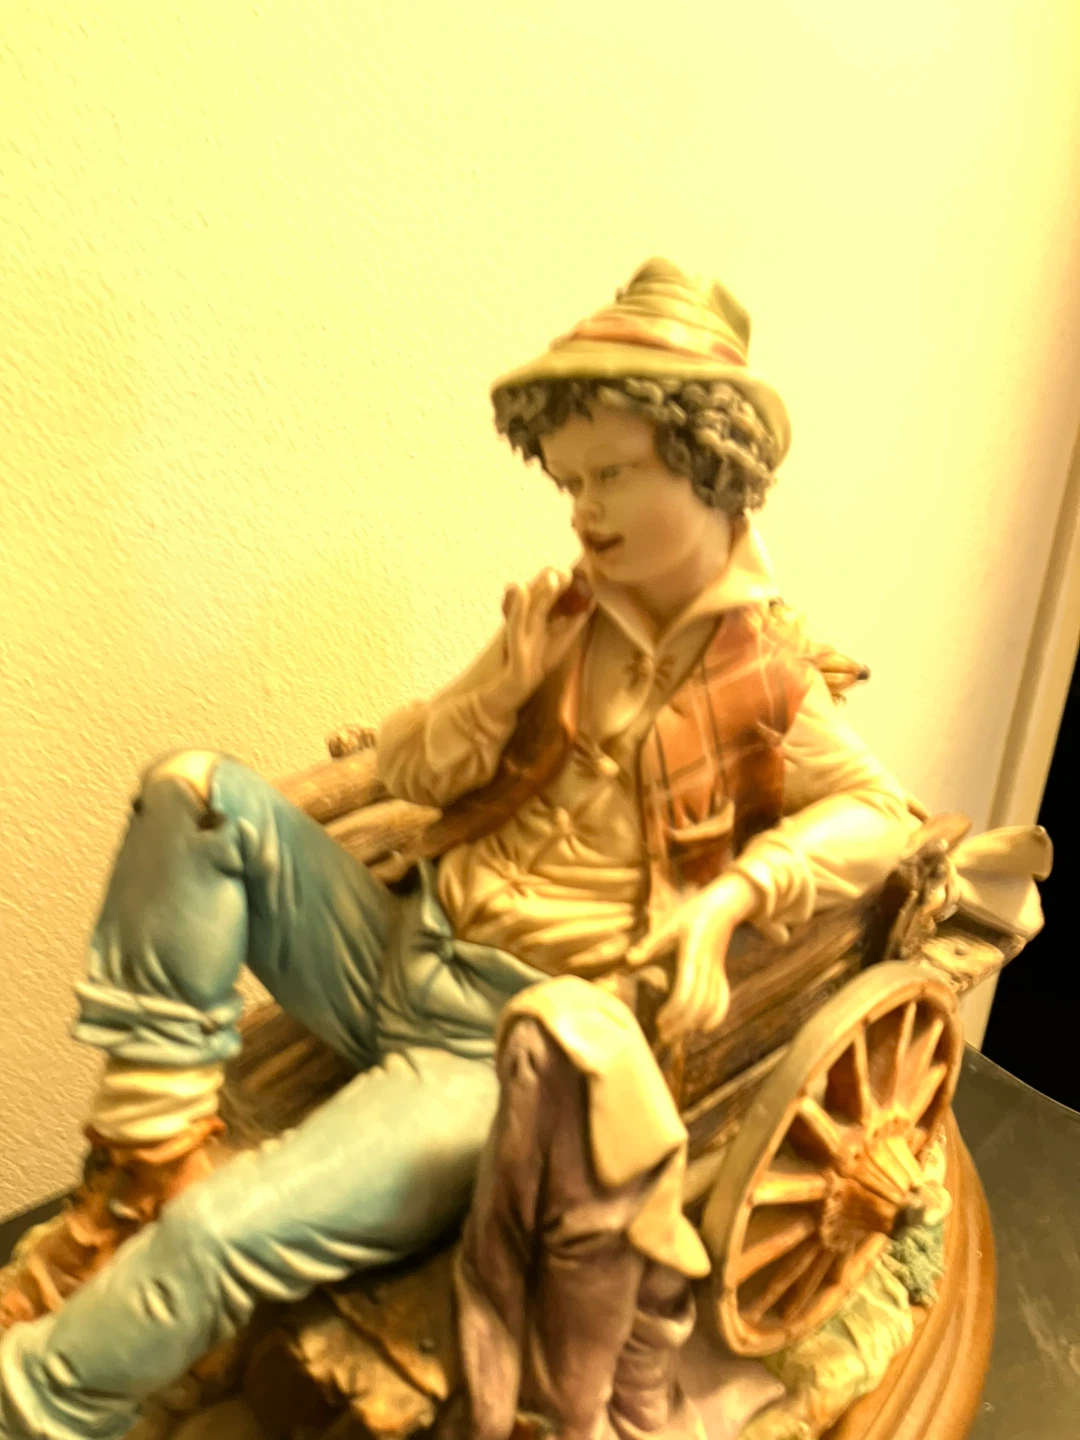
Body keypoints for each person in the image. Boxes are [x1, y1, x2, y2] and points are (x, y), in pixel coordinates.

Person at [0, 259, 917, 1440]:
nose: (583, 511)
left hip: (491, 1057)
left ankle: (40, 1405)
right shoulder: (564, 621)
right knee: (194, 797)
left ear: (712, 468)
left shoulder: (768, 683)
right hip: (396, 947)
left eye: (613, 474)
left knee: (221, 1233)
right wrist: (496, 693)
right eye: (571, 481)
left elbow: (883, 816)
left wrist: (739, 893)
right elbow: (418, 774)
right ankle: (145, 1163)